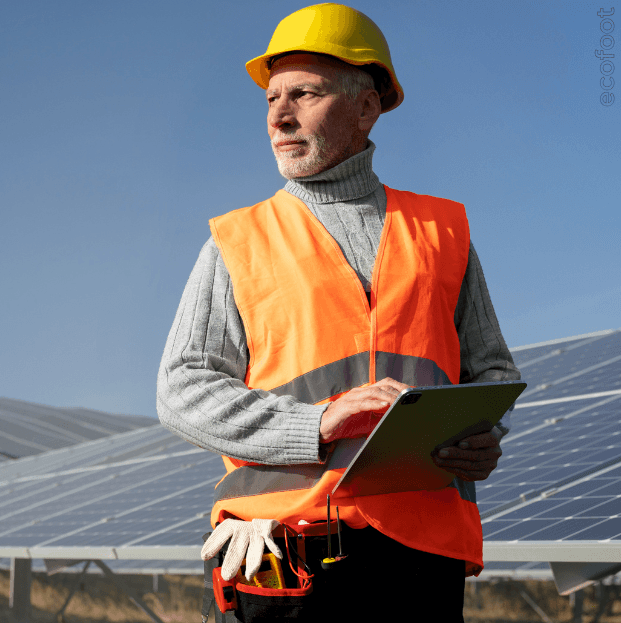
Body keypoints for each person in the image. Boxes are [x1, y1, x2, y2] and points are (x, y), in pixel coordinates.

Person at [155, 4, 520, 621]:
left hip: (420, 565)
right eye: (271, 98)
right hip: (284, 559)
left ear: (367, 105)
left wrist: (485, 438)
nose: (279, 115)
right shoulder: (237, 242)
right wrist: (317, 425)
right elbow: (181, 391)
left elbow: (492, 375)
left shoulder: (444, 233)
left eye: (304, 93)